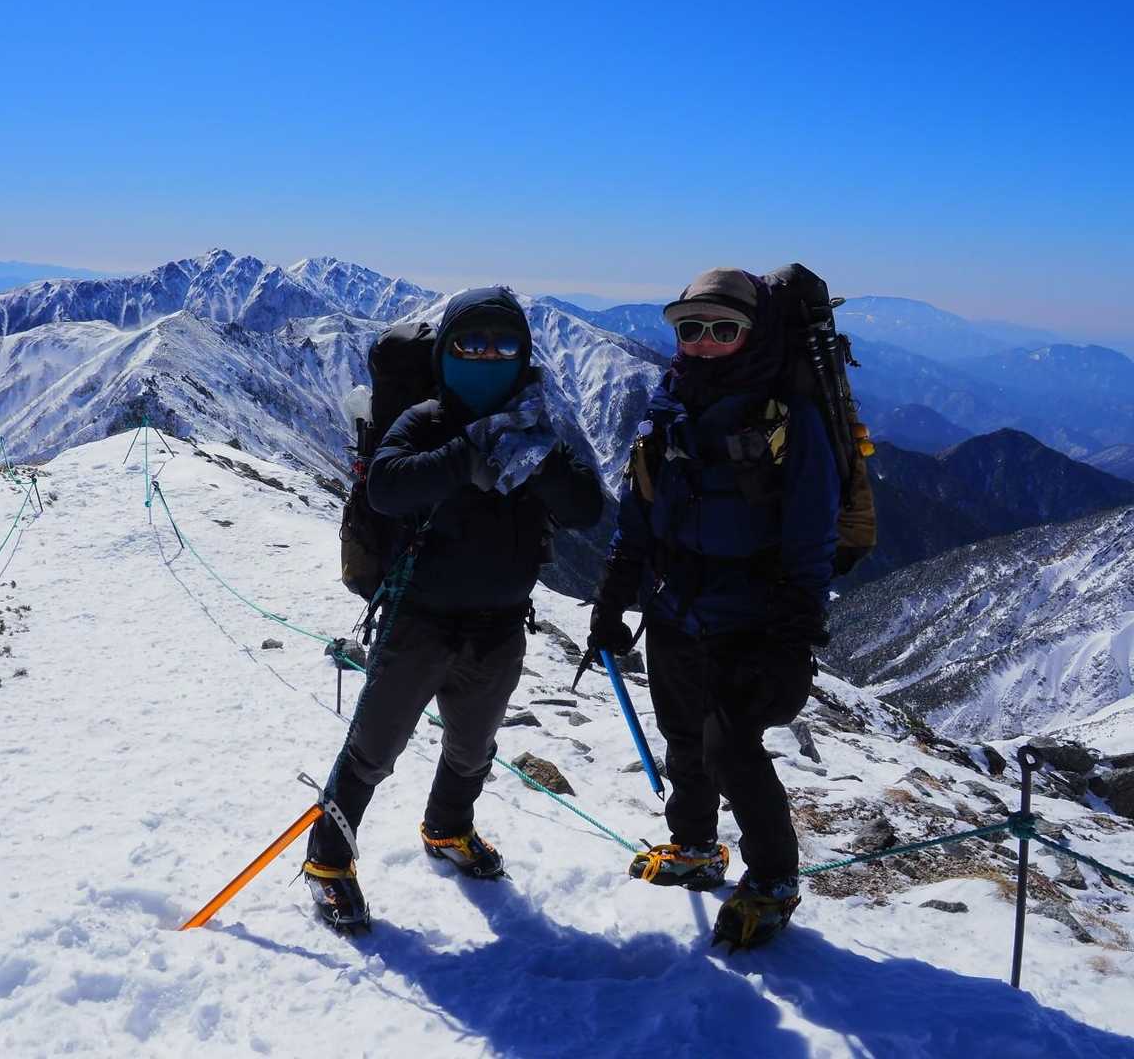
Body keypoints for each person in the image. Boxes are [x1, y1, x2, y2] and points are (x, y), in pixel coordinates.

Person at [304, 287, 604, 927]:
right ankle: (327, 860)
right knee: (373, 749)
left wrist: (538, 462)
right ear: (445, 352)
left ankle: (447, 827)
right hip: (419, 619)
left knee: (472, 747)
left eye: (504, 344)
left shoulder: (534, 430)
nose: (488, 355)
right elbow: (387, 488)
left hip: (499, 626)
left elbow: (585, 507)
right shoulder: (425, 421)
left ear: (524, 354)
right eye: (471, 342)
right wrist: (468, 456)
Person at [588, 267, 839, 949]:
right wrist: (612, 597)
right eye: (690, 328)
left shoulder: (789, 418)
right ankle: (695, 846)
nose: (703, 342)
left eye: (723, 330)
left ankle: (775, 880)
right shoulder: (669, 403)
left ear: (754, 336)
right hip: (673, 605)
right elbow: (638, 510)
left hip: (752, 617)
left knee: (731, 749)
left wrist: (793, 636)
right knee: (681, 735)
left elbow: (812, 534)